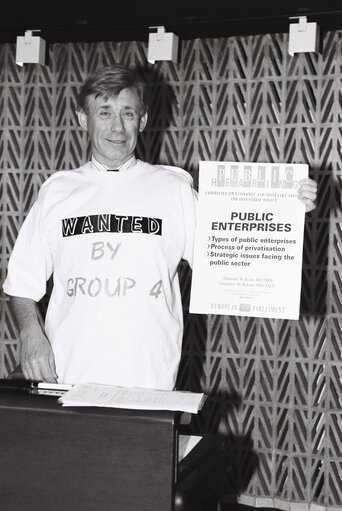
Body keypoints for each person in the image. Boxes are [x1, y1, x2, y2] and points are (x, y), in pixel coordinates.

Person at [3, 64, 317, 389]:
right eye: (105, 112)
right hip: (66, 378)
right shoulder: (57, 190)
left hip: (149, 383)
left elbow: (230, 254)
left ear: (143, 120)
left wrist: (287, 212)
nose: (117, 127)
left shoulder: (174, 189)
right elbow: (21, 284)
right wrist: (30, 334)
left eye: (128, 113)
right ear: (84, 118)